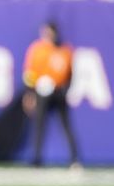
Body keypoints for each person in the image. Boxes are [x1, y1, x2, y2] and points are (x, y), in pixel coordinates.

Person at [22, 20, 80, 167]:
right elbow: (30, 73)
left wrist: (66, 89)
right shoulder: (37, 49)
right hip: (42, 92)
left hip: (59, 91)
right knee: (39, 125)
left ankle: (74, 159)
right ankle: (36, 158)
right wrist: (30, 93)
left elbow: (70, 73)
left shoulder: (65, 50)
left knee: (65, 125)